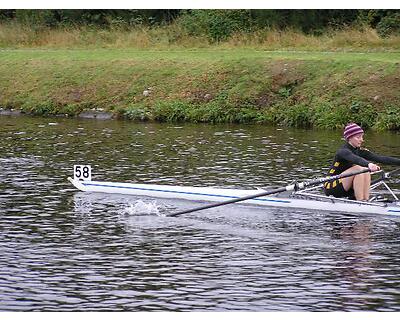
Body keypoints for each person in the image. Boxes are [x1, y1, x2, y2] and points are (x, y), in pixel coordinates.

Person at [324, 123, 400, 201]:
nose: (362, 139)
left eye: (362, 137)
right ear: (349, 138)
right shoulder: (343, 152)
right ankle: (361, 201)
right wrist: (369, 164)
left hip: (347, 185)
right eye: (358, 137)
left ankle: (365, 200)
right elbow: (355, 159)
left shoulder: (360, 151)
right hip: (331, 186)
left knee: (365, 171)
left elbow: (381, 158)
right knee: (360, 169)